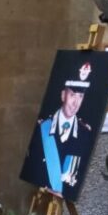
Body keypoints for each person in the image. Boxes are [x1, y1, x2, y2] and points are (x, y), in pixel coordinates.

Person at [21, 62, 93, 198]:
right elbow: (32, 169)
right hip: (42, 196)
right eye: (72, 95)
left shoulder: (85, 134)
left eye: (80, 96)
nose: (76, 103)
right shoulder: (41, 129)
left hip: (66, 198)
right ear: (63, 95)